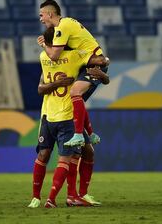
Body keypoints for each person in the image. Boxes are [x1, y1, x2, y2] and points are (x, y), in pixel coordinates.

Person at [28, 27, 108, 208]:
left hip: (47, 114)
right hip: (66, 114)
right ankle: (64, 197)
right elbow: (100, 61)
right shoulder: (75, 57)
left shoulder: (44, 57)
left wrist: (44, 48)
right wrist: (104, 63)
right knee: (72, 155)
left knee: (45, 154)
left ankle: (38, 197)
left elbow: (40, 89)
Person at [38, 0, 109, 147]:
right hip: (90, 63)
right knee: (77, 99)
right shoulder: (66, 23)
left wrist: (44, 44)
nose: (41, 19)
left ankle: (78, 135)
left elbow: (54, 55)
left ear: (50, 14)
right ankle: (90, 133)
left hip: (93, 65)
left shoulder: (62, 27)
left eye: (42, 15)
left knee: (75, 92)